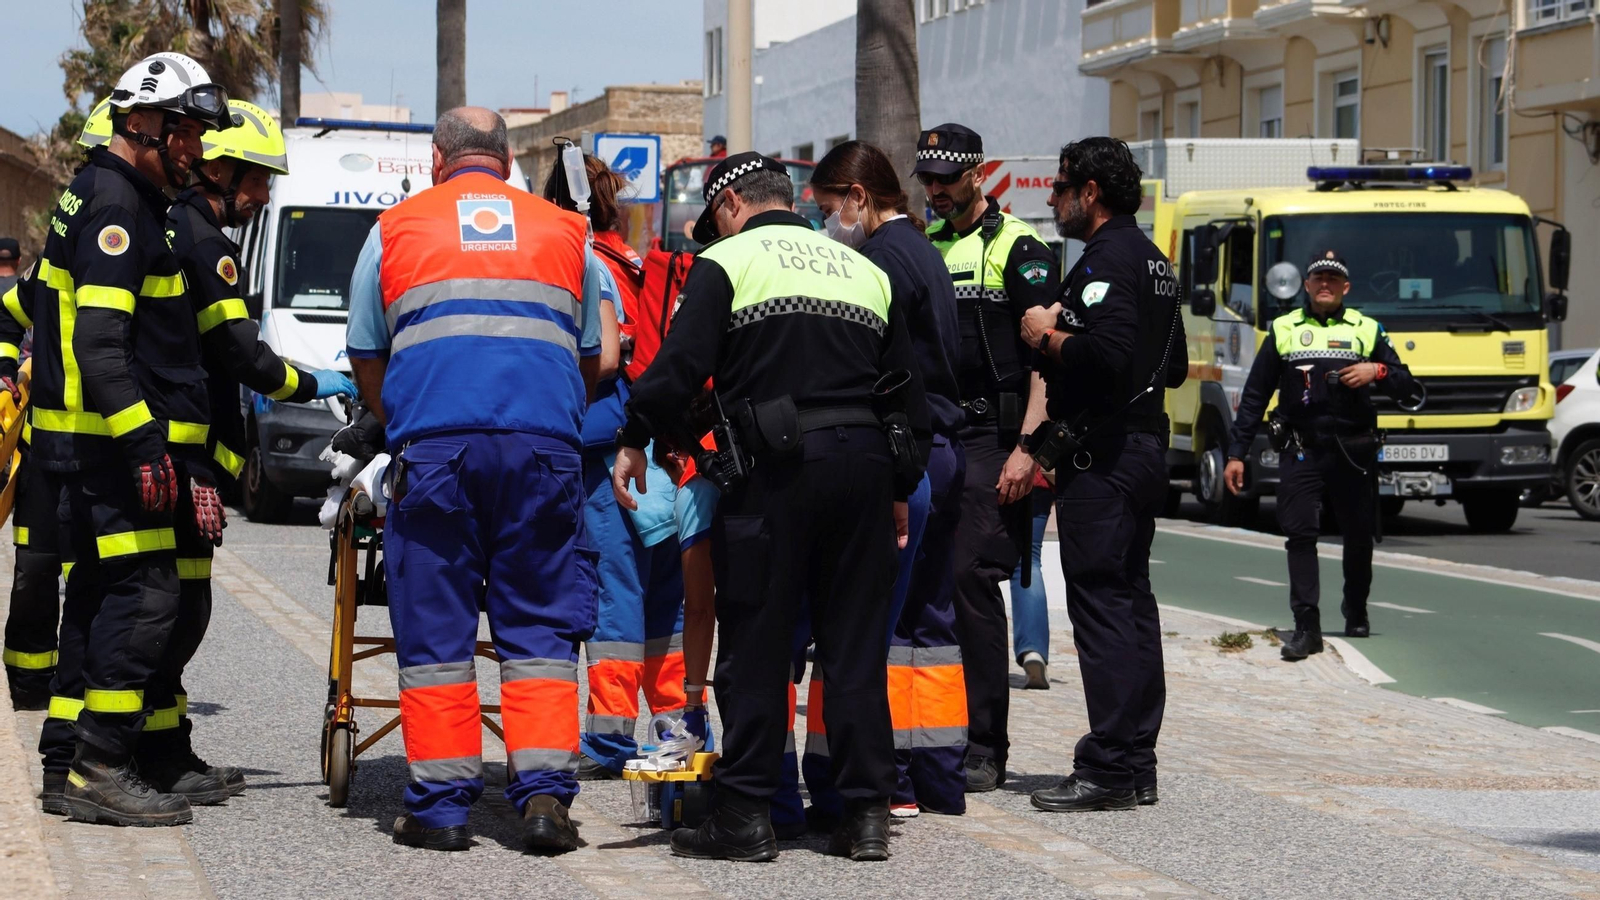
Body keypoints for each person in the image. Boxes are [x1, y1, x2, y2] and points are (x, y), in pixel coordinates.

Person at [613, 151, 930, 862]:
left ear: (729, 208)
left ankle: (746, 815)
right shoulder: (863, 268)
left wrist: (635, 437)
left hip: (777, 469)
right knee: (853, 647)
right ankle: (864, 815)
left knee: (756, 640)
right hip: (867, 467)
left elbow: (680, 368)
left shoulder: (728, 264)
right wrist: (900, 492)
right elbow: (906, 394)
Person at [345, 107, 608, 853]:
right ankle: (546, 801)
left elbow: (367, 347)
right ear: (504, 160)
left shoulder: (394, 229)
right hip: (545, 451)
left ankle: (442, 807)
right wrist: (543, 421)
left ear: (438, 160)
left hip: (436, 450)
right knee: (540, 630)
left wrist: (400, 417)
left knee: (436, 628)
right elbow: (592, 354)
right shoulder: (565, 232)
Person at [28, 52, 233, 827]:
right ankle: (100, 768)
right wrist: (149, 448)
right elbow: (104, 345)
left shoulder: (110, 194)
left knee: (98, 596)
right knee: (147, 594)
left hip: (101, 443)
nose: (198, 151)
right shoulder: (117, 206)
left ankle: (67, 763)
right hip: (117, 448)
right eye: (187, 134)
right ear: (144, 123)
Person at [157, 98, 355, 799]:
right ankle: (157, 759)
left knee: (178, 609)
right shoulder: (204, 241)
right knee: (175, 611)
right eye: (258, 177)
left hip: (193, 448)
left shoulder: (189, 228)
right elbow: (239, 355)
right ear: (220, 166)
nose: (265, 193)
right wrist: (312, 379)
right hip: (179, 450)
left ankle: (168, 753)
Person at [797, 140, 968, 822]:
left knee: (867, 630)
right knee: (926, 629)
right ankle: (935, 776)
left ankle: (877, 780)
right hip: (942, 448)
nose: (824, 224)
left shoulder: (878, 261)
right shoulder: (924, 251)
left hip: (904, 459)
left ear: (859, 198)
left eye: (828, 208)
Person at [1021, 136, 1188, 813]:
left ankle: (1111, 766)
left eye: (1059, 187)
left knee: (1101, 606)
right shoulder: (1155, 262)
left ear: (1090, 191)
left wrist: (1046, 336)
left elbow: (1111, 355)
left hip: (1105, 456)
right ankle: (1136, 760)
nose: (1053, 199)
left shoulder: (1106, 260)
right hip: (1142, 448)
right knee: (1130, 602)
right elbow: (1170, 367)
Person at [915, 123, 1058, 793]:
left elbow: (1046, 359)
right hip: (930, 434)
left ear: (977, 174)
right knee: (922, 579)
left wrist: (1028, 447)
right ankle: (927, 730)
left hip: (992, 440)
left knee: (971, 577)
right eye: (927, 178)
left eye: (947, 177)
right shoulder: (920, 247)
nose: (935, 189)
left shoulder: (1019, 246)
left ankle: (984, 742)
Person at [541, 153, 693, 778]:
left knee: (616, 593)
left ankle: (607, 738)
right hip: (652, 443)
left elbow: (602, 358)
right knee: (665, 593)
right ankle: (676, 722)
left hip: (608, 454)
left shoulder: (584, 262)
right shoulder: (628, 259)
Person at [1223, 252, 1420, 660]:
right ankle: (1306, 626)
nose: (1325, 285)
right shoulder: (1283, 329)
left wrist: (1376, 372)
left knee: (1358, 535)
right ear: (1307, 285)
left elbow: (1406, 385)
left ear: (1345, 288)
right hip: (1301, 448)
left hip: (1353, 450)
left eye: (1334, 279)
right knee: (1300, 534)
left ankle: (1356, 607)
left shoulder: (1368, 329)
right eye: (1318, 278)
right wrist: (1237, 453)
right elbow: (1255, 396)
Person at [0, 263, 64, 713]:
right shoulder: (52, 264)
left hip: (111, 450)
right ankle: (28, 687)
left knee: (95, 580)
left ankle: (80, 691)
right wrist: (5, 367)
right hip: (41, 449)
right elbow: (6, 315)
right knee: (35, 574)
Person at [1008, 474, 1053, 689]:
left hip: (991, 467)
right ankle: (1032, 650)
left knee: (971, 562)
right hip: (1037, 475)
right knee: (1028, 560)